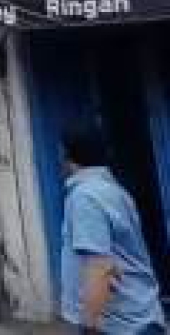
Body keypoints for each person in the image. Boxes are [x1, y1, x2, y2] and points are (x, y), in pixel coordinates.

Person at [61, 125, 166, 335]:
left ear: (68, 158)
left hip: (119, 325)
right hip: (141, 317)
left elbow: (100, 266)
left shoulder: (85, 196)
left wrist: (90, 326)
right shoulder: (114, 191)